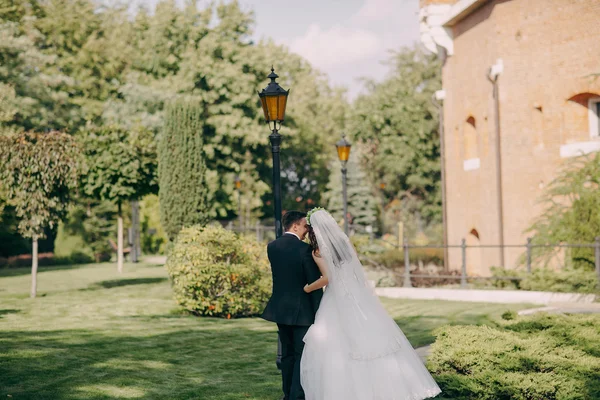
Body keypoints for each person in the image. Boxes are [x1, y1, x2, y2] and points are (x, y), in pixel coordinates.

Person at [300, 208, 441, 400]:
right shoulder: (345, 243)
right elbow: (357, 270)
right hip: (357, 294)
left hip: (336, 297)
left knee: (337, 341)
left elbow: (327, 278)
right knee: (371, 334)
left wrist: (308, 288)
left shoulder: (317, 251)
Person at [261, 211, 324, 400]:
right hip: (302, 312)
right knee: (300, 355)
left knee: (287, 355)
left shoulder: (272, 247)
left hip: (280, 310)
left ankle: (287, 393)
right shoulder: (305, 250)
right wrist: (319, 312)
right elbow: (313, 284)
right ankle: (296, 396)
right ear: (295, 226)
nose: (307, 230)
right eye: (305, 226)